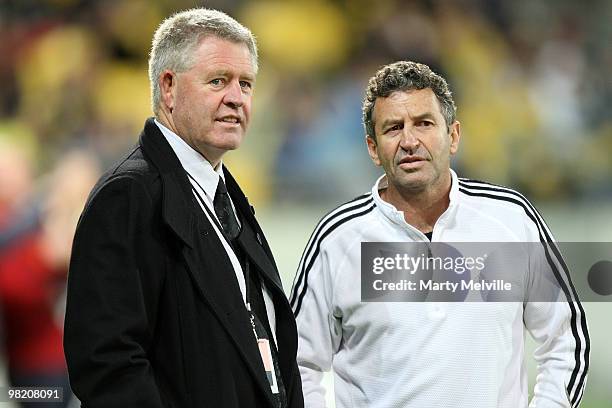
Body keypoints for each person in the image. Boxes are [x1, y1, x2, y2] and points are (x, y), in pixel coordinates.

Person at [290, 61, 589, 407]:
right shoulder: (338, 239)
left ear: (454, 136)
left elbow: (567, 340)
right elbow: (299, 362)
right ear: (373, 148)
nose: (409, 140)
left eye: (424, 123)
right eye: (392, 128)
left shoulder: (511, 220)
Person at [64, 9, 303, 408]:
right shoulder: (128, 195)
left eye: (246, 84)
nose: (236, 98)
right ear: (169, 88)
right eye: (218, 81)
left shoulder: (223, 191)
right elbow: (107, 365)